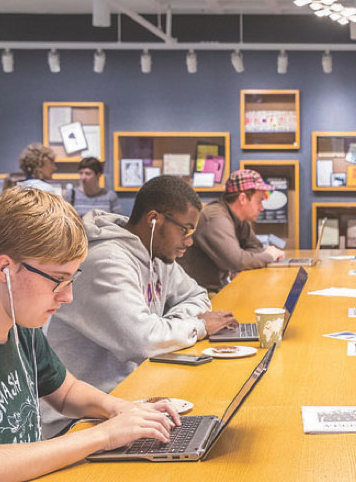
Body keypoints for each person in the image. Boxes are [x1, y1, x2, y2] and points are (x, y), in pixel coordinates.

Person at [0, 188, 180, 482]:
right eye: (59, 280)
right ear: (5, 269)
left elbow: (65, 391)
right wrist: (104, 435)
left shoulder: (21, 329)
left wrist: (121, 410)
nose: (69, 296)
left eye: (72, 279)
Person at [43, 175, 235, 436]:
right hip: (77, 419)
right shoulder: (106, 261)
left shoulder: (156, 256)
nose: (189, 241)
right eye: (185, 229)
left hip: (127, 397)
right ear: (154, 219)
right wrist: (198, 326)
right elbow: (143, 340)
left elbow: (197, 296)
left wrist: (167, 327)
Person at [179, 169, 285, 293]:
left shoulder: (240, 218)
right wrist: (269, 256)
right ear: (242, 198)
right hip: (197, 296)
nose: (262, 208)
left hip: (215, 289)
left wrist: (245, 261)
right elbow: (237, 261)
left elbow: (255, 248)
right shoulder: (215, 217)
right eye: (259, 201)